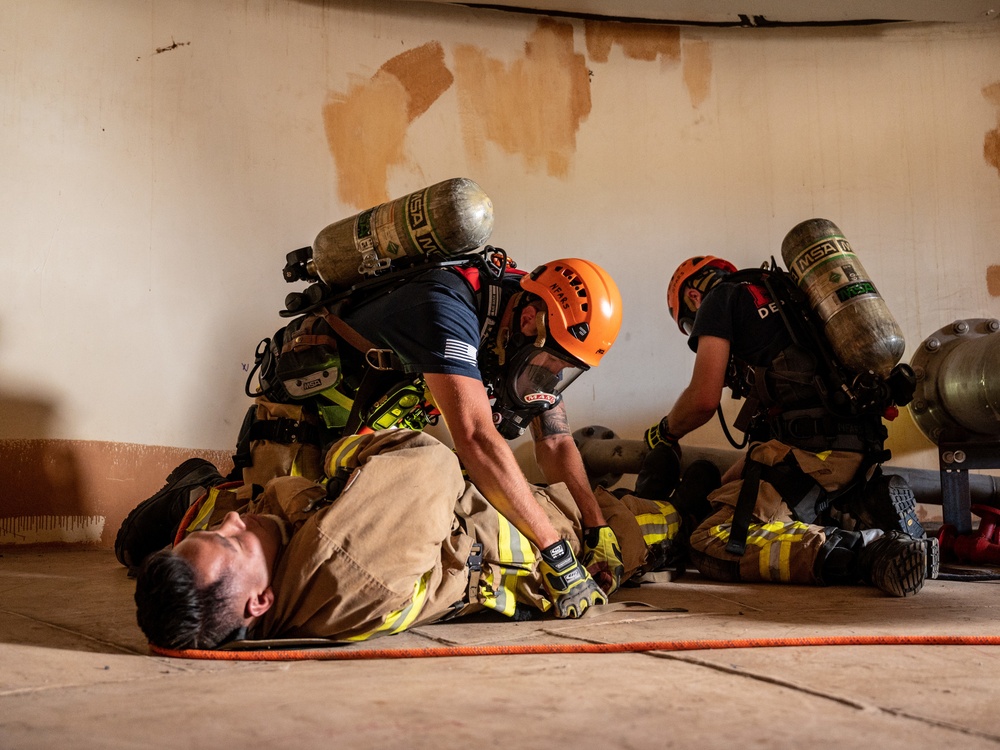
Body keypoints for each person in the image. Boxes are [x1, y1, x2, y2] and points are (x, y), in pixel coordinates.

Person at [119, 251, 626, 618]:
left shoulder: (523, 336)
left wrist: (596, 524)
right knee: (270, 534)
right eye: (551, 362)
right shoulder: (446, 306)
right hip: (306, 425)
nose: (549, 376)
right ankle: (191, 494)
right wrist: (556, 554)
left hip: (363, 440)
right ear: (532, 317)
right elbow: (474, 437)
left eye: (562, 369)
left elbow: (556, 440)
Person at [132, 429, 690, 650]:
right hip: (560, 533)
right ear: (259, 601)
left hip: (514, 510)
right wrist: (342, 459)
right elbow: (431, 458)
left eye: (215, 527)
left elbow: (278, 496)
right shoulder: (341, 561)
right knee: (670, 522)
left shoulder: (287, 566)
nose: (234, 523)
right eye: (231, 543)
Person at [637, 256, 938, 597]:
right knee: (734, 503)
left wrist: (666, 432)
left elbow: (703, 400)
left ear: (693, 297)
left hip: (813, 458)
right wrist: (718, 494)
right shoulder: (788, 300)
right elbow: (766, 444)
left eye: (693, 328)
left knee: (713, 540)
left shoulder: (720, 298)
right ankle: (861, 509)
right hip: (857, 448)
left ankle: (869, 551)